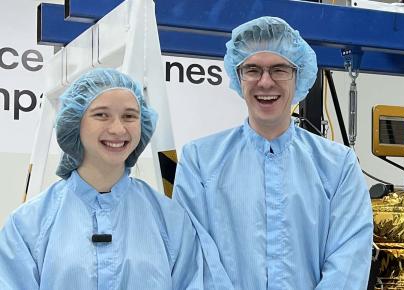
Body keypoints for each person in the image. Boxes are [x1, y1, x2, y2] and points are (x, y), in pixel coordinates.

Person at [172, 16, 374, 289]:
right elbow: (194, 259)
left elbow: (349, 259)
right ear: (238, 76)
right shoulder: (200, 161)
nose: (265, 82)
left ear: (298, 75)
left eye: (279, 69)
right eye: (253, 69)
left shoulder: (338, 166)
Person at [0, 68, 211, 289]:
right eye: (101, 114)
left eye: (129, 116)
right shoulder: (29, 223)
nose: (118, 129)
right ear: (75, 121)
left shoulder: (170, 220)